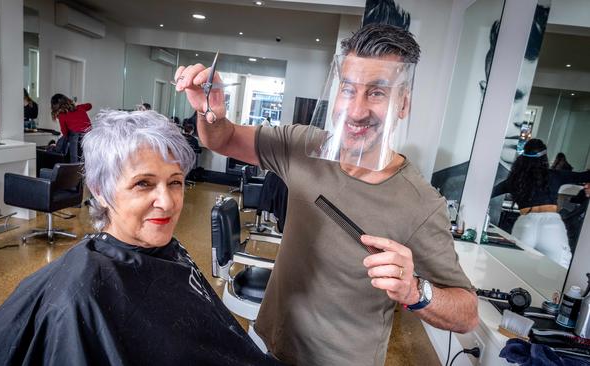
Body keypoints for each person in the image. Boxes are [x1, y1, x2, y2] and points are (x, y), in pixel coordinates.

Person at [174, 23, 478, 365]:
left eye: (377, 93)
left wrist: (415, 291)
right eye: (348, 90)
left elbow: (466, 314)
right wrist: (209, 111)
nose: (358, 110)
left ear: (403, 102)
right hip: (269, 343)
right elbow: (222, 139)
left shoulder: (421, 203)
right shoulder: (303, 145)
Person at [0, 110, 280, 366]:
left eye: (176, 182)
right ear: (101, 189)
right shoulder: (77, 297)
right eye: (143, 184)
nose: (167, 202)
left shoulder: (167, 251)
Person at [492, 139, 590, 267]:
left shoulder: (514, 180)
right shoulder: (554, 175)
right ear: (544, 157)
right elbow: (584, 176)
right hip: (549, 226)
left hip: (525, 225)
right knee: (559, 271)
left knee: (519, 269)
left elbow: (490, 191)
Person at [50, 93, 92, 163]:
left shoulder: (62, 115)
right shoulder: (79, 107)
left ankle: (55, 148)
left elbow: (65, 132)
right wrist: (77, 105)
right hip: (90, 136)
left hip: (76, 138)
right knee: (88, 159)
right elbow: (89, 106)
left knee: (75, 161)